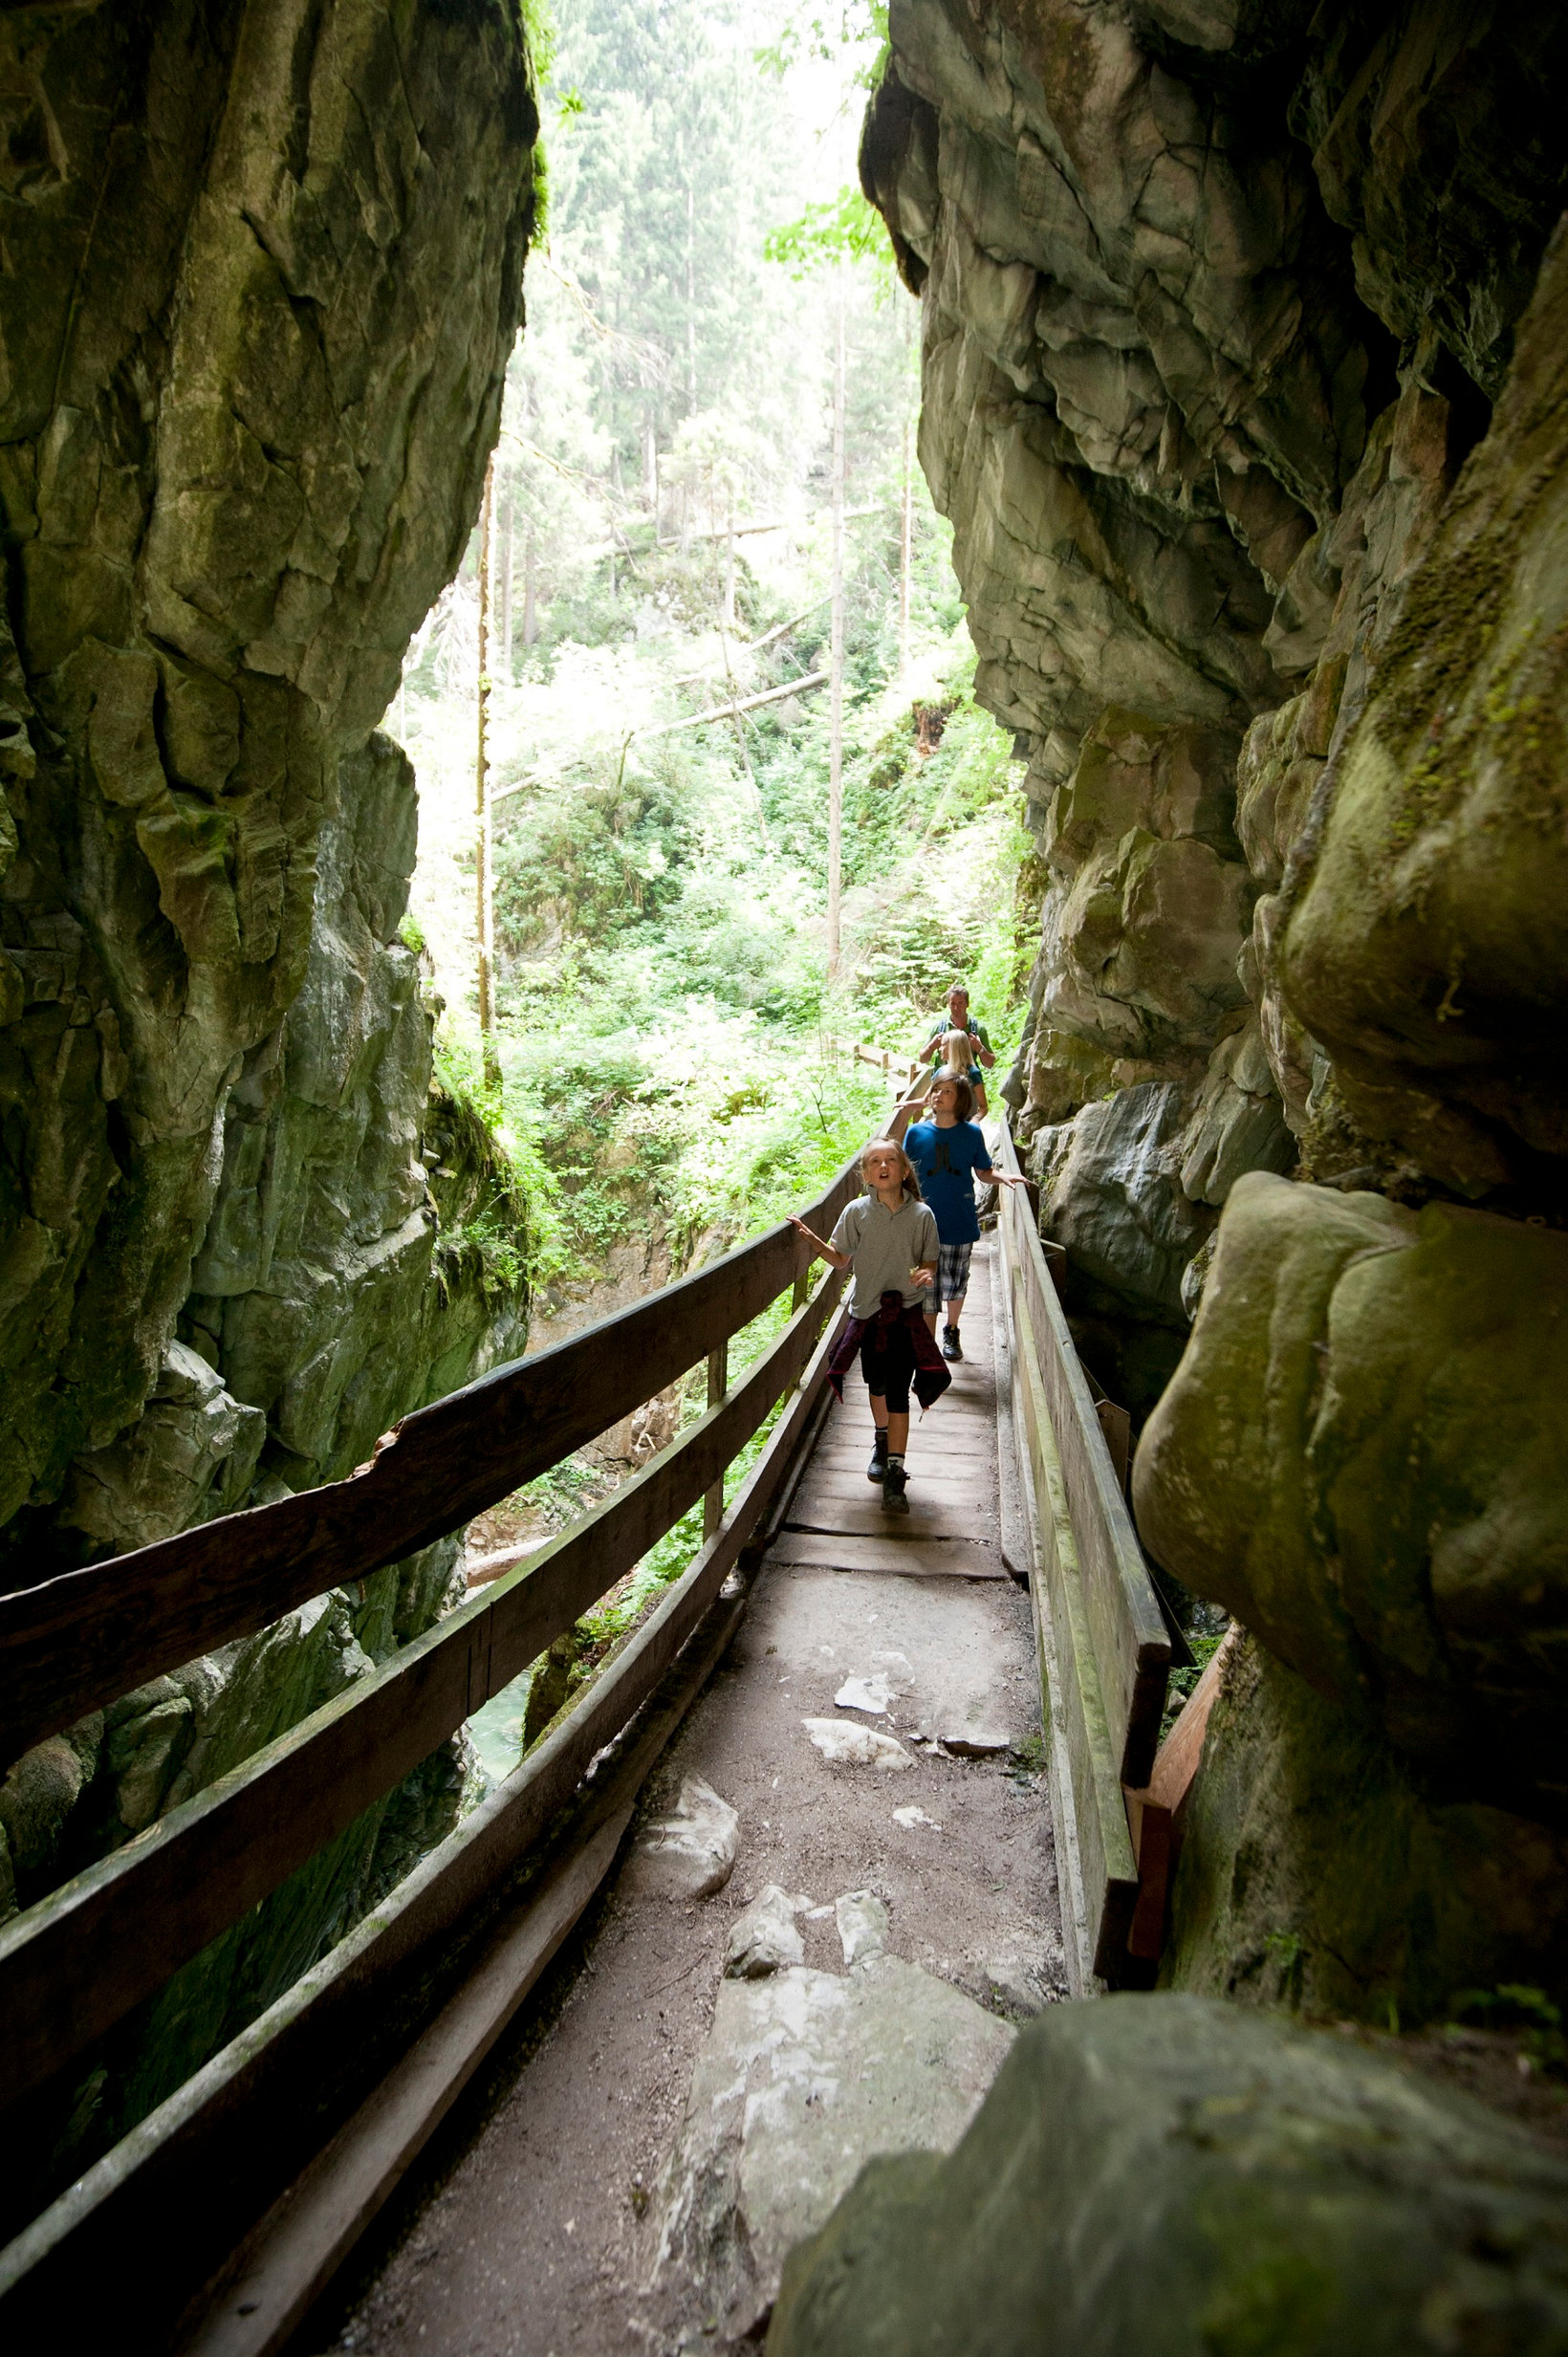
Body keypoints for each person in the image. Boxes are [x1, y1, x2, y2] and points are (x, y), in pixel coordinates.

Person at [788, 1138, 949, 1514]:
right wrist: (812, 1239)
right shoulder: (856, 1212)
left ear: (904, 1169)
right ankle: (881, 1438)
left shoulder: (922, 1215)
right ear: (865, 1175)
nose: (883, 1166)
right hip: (866, 1315)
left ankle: (895, 1470)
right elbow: (841, 1259)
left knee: (897, 1392)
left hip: (906, 1316)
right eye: (874, 1161)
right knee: (875, 1384)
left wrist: (926, 1274)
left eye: (890, 1160)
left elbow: (929, 1261)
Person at [904, 1071, 1029, 1361]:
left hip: (959, 1220)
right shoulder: (916, 1133)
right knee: (926, 1288)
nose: (938, 1095)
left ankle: (952, 1329)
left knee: (956, 1281)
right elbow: (904, 1174)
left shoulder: (971, 1134)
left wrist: (1004, 1177)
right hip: (923, 1224)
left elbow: (983, 1171)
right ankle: (927, 1350)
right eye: (936, 1090)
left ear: (960, 1099)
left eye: (946, 1091)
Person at [921, 984, 994, 1073]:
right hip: (944, 1080)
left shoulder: (978, 1029)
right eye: (953, 1003)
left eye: (960, 1003)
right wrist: (931, 1046)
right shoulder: (939, 1028)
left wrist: (980, 1048)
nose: (956, 1007)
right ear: (948, 1004)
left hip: (968, 1081)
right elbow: (922, 1059)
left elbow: (990, 1064)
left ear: (967, 1004)